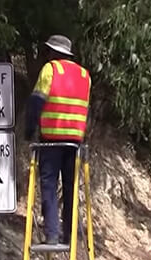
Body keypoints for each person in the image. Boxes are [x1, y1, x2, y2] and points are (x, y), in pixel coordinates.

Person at [25, 34, 91, 245]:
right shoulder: (84, 75)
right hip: (74, 142)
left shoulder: (51, 69)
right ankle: (70, 234)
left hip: (52, 138)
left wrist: (29, 130)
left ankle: (52, 234)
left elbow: (36, 101)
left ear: (53, 52)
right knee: (71, 187)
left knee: (49, 186)